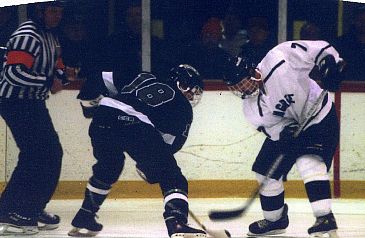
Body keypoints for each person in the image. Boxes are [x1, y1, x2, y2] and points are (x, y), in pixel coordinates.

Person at [222, 40, 344, 237]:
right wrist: (284, 134)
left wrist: (331, 64)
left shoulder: (279, 58)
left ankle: (324, 217)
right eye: (237, 88)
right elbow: (273, 129)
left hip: (320, 117)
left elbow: (320, 48)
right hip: (293, 128)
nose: (243, 90)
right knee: (264, 172)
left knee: (309, 161)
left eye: (243, 83)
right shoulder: (251, 109)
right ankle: (275, 220)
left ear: (252, 71)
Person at [68, 65, 206, 238]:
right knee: (172, 175)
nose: (191, 96)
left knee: (109, 166)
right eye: (191, 91)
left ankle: (85, 216)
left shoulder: (141, 77)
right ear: (181, 84)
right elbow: (167, 149)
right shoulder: (183, 107)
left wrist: (88, 108)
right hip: (135, 124)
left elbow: (97, 78)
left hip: (103, 117)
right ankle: (177, 222)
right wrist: (150, 168)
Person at [0, 1, 74, 235]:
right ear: (40, 12)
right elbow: (13, 74)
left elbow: (57, 63)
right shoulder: (27, 34)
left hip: (31, 101)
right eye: (53, 11)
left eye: (60, 12)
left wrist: (62, 74)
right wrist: (47, 81)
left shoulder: (50, 36)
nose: (58, 16)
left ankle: (29, 207)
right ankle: (16, 211)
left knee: (49, 154)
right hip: (16, 102)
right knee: (38, 155)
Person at [333, 6, 365, 81]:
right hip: (347, 88)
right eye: (360, 20)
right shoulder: (340, 43)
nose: (363, 24)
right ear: (353, 21)